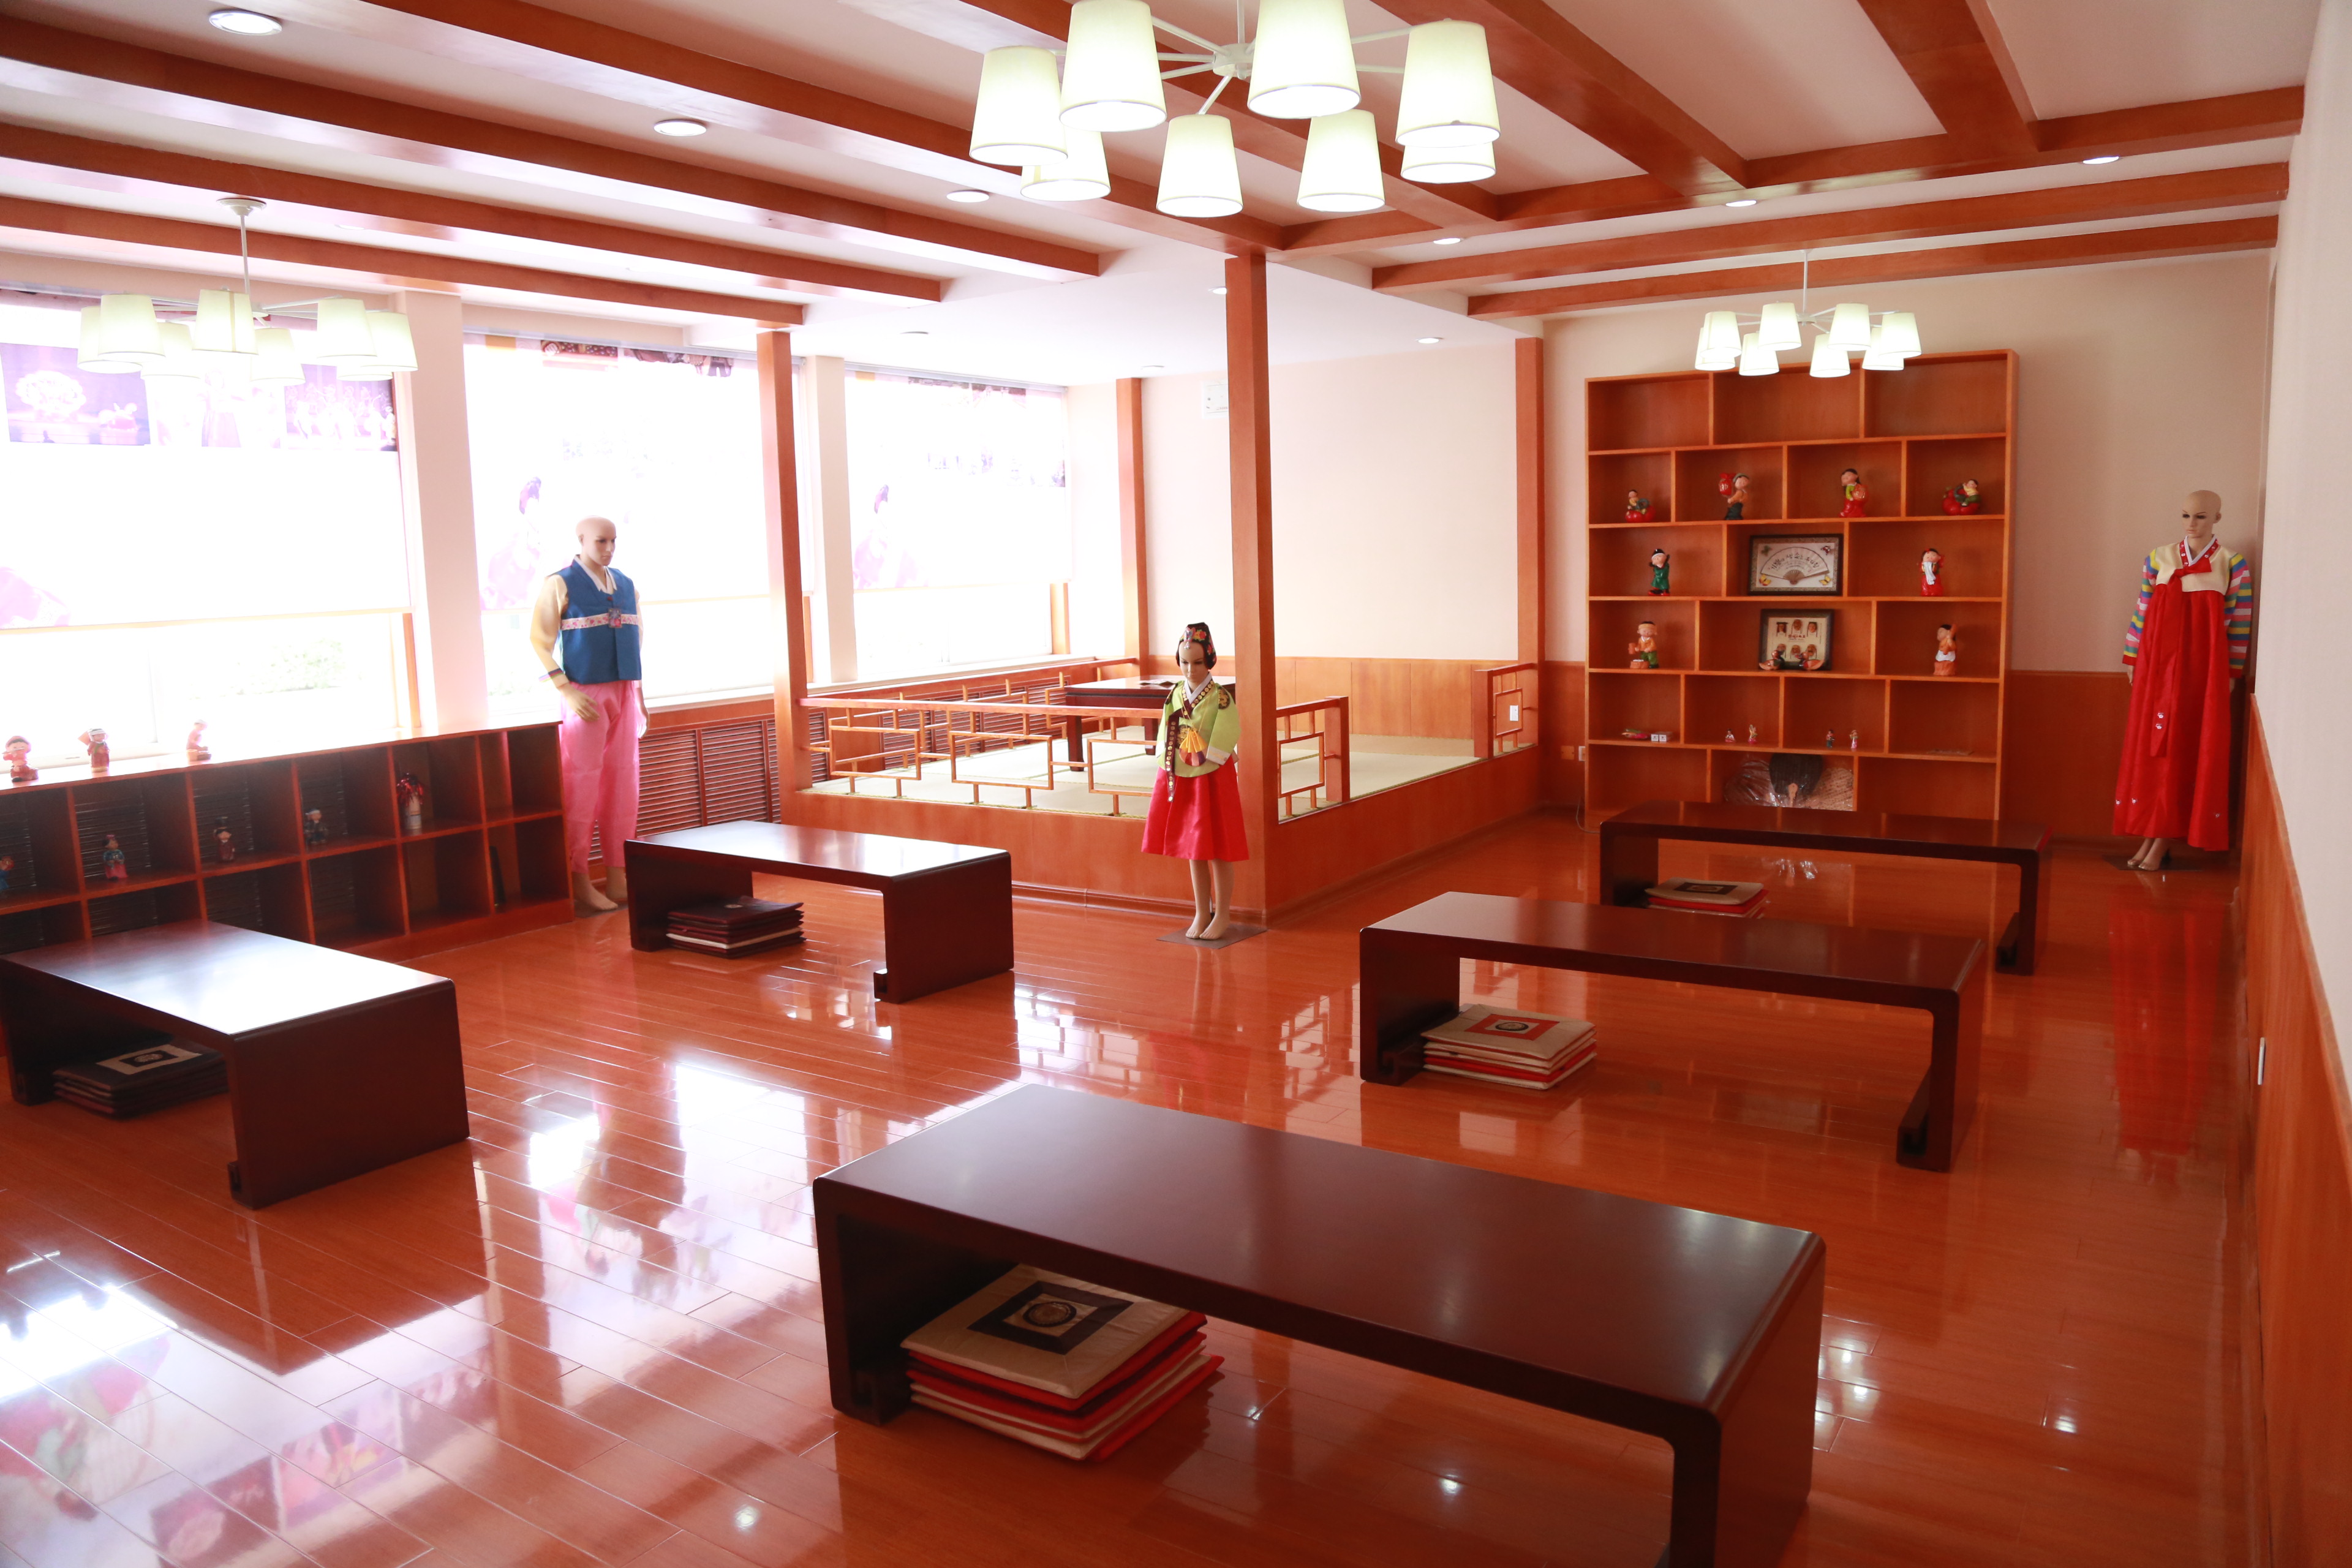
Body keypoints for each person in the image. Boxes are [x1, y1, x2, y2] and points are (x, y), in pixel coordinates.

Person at [2116, 490, 2253, 871]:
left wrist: (2232, 672)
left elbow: (2238, 623)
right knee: (2152, 748)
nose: (2192, 524)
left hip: (2201, 670)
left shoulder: (2232, 563)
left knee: (2184, 745)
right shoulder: (2158, 557)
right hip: (2156, 665)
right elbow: (2142, 610)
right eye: (2186, 516)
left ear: (2217, 519)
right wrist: (2132, 657)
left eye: (2201, 516)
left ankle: (2162, 840)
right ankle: (2150, 833)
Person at [529, 516, 649, 914]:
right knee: (581, 783)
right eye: (600, 541)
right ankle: (577, 875)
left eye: (613, 541)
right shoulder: (560, 583)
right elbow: (539, 641)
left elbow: (636, 639)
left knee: (623, 782)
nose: (608, 549)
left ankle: (618, 874)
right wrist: (565, 689)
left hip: (624, 690)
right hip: (584, 693)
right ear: (581, 539)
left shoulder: (626, 584)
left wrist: (639, 694)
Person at [1141, 623, 1247, 941]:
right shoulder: (1175, 693)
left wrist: (1209, 755)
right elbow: (1166, 729)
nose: (1191, 670)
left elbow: (1229, 729)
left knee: (1218, 846)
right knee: (1194, 845)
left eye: (1198, 662)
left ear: (1210, 660)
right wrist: (1167, 762)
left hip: (1212, 774)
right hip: (1182, 772)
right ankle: (1202, 911)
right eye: (1185, 662)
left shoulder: (1220, 697)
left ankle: (1223, 913)